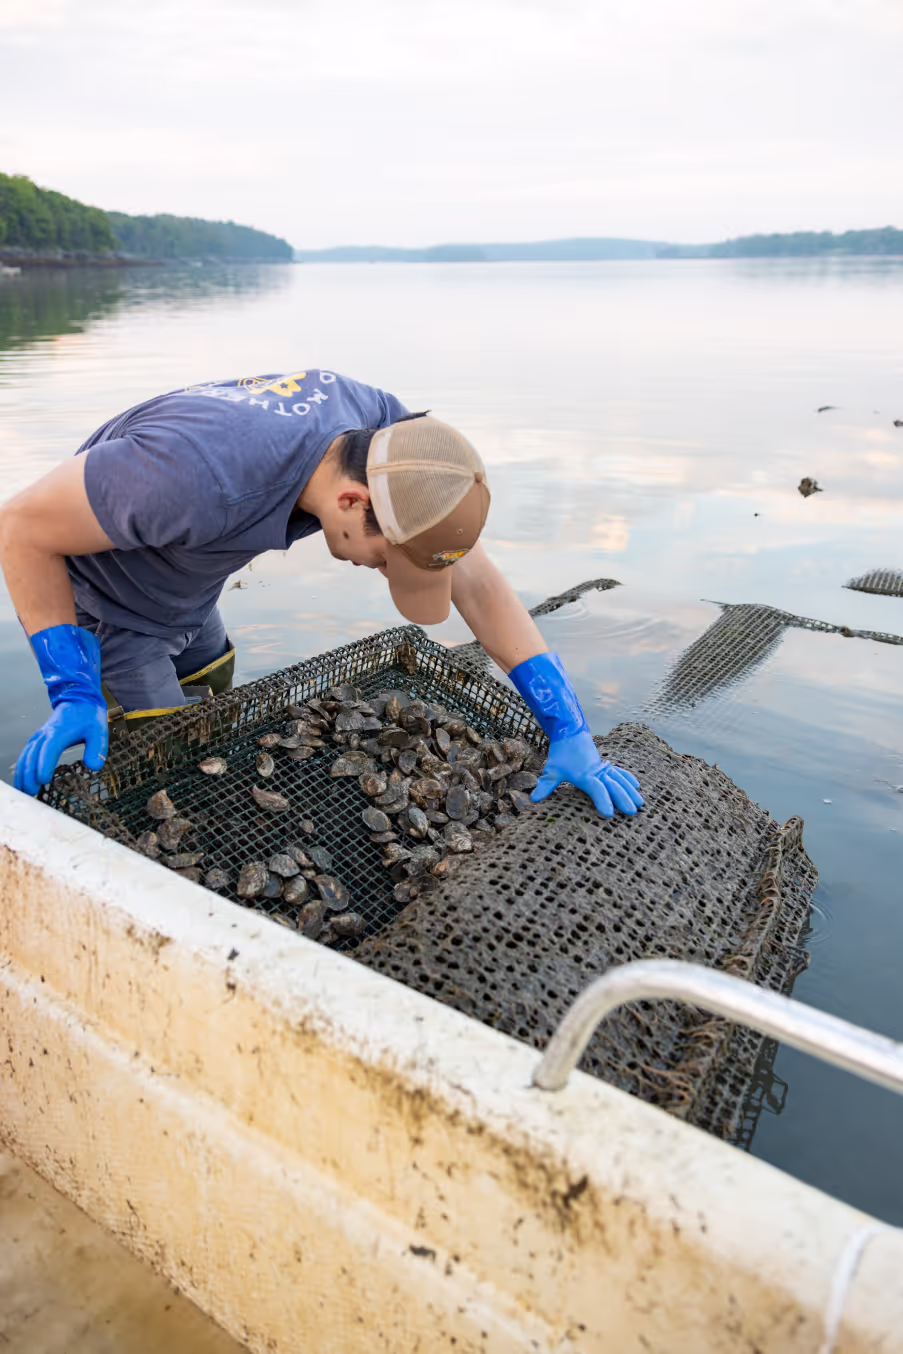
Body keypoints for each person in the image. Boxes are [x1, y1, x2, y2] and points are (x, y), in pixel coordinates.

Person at [0, 367, 643, 818]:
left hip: (193, 594)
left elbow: (477, 585)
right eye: (387, 563)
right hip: (115, 616)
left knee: (214, 694)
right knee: (171, 780)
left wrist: (567, 723)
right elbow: (20, 528)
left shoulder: (394, 443)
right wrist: (72, 688)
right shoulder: (187, 476)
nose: (385, 573)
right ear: (349, 501)